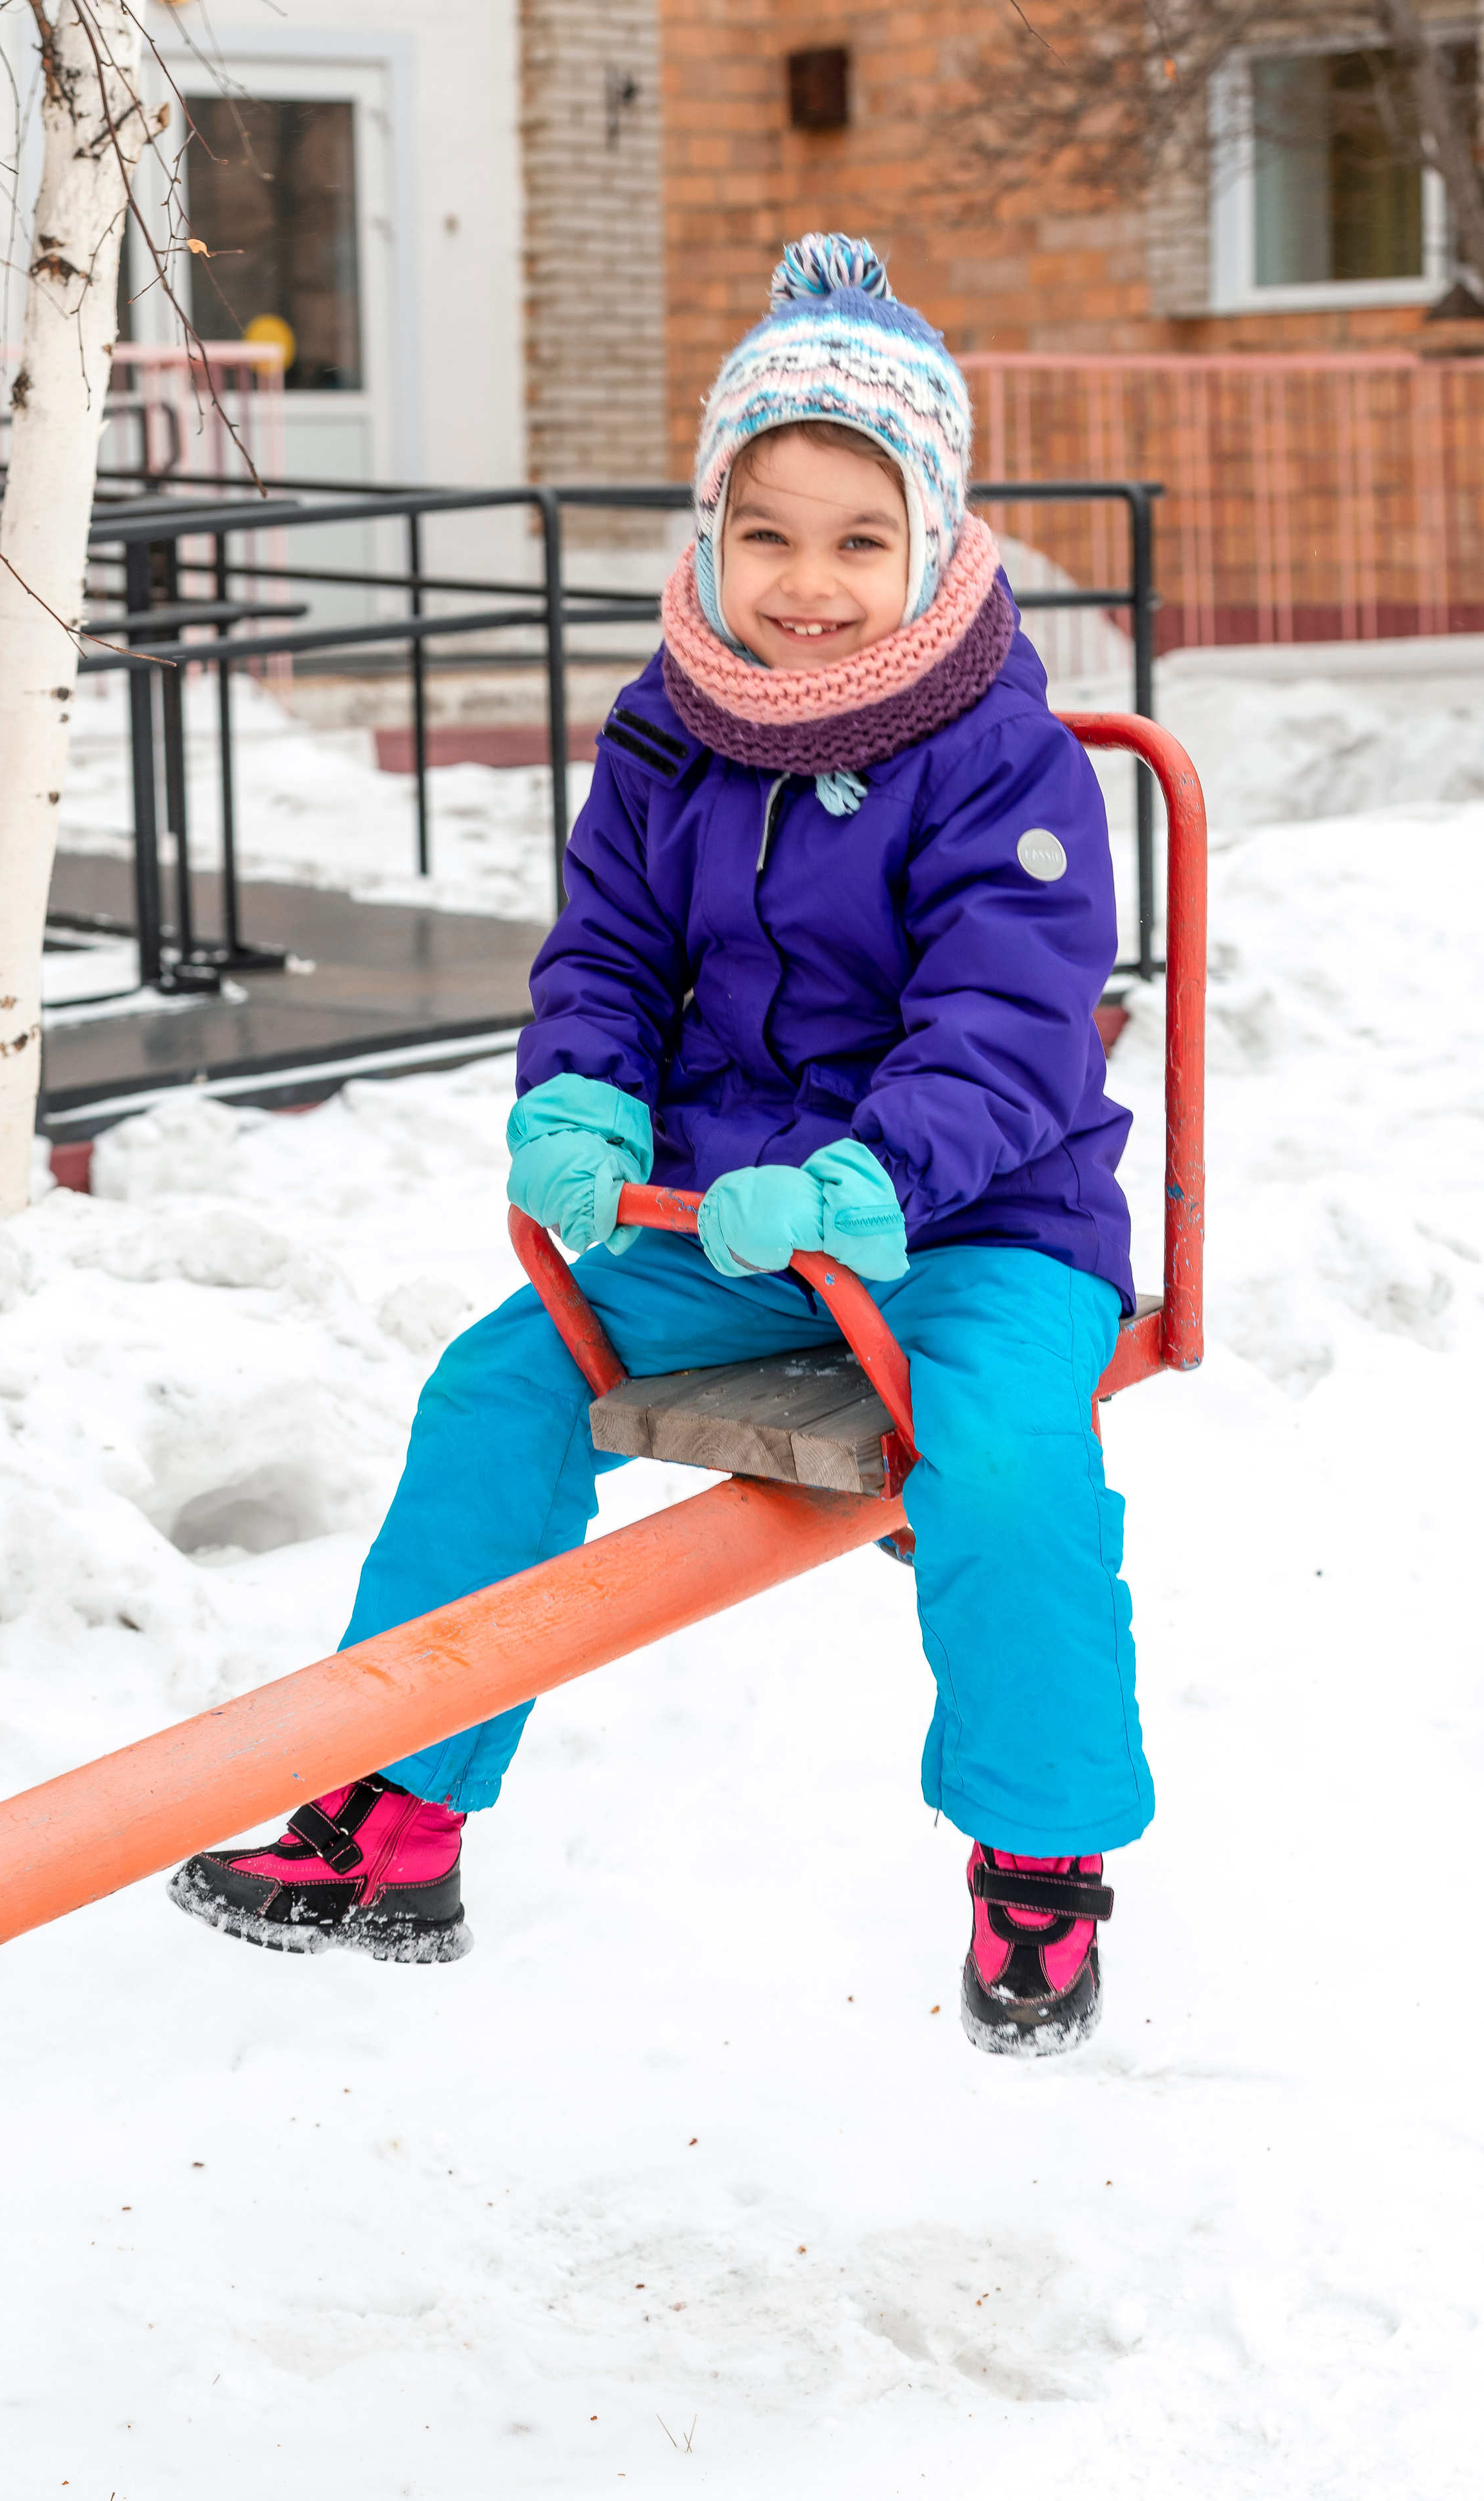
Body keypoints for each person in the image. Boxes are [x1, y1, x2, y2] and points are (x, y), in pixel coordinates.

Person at [169, 233, 1148, 2057]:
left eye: (862, 540)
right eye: (768, 533)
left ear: (931, 540)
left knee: (1006, 1470)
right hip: (726, 1213)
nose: (810, 586)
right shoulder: (669, 734)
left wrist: (880, 1177)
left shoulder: (1004, 760)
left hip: (973, 1223)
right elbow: (610, 953)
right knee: (499, 1390)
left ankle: (1041, 1864)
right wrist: (584, 1098)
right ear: (711, 533)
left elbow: (1010, 1022)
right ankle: (395, 1816)